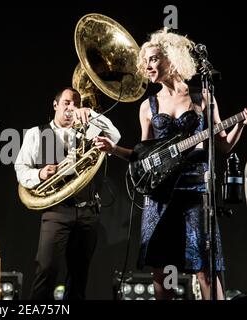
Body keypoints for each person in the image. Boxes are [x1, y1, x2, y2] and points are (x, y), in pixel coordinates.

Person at [95, 28, 247, 300]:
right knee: (162, 271)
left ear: (171, 58)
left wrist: (241, 125)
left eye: (153, 59)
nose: (147, 66)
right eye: (145, 62)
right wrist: (114, 148)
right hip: (160, 198)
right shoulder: (148, 106)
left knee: (205, 268)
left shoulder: (203, 97)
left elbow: (222, 146)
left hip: (195, 193)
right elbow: (144, 157)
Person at [15, 87, 121, 300]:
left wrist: (91, 114)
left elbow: (115, 136)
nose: (71, 108)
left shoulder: (88, 130)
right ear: (55, 105)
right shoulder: (37, 133)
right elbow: (21, 168)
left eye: (75, 103)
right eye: (66, 103)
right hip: (56, 212)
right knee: (46, 271)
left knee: (79, 277)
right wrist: (40, 174)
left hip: (88, 212)